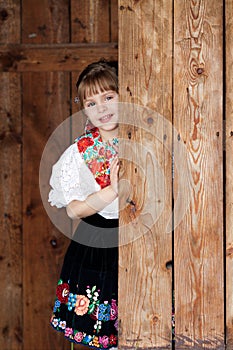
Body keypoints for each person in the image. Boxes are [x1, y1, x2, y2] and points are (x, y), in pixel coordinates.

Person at [48, 60, 119, 349]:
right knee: (106, 336)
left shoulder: (147, 140)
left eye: (108, 97)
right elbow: (73, 209)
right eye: (91, 103)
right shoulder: (79, 153)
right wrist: (112, 191)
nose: (101, 108)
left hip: (143, 236)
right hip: (98, 241)